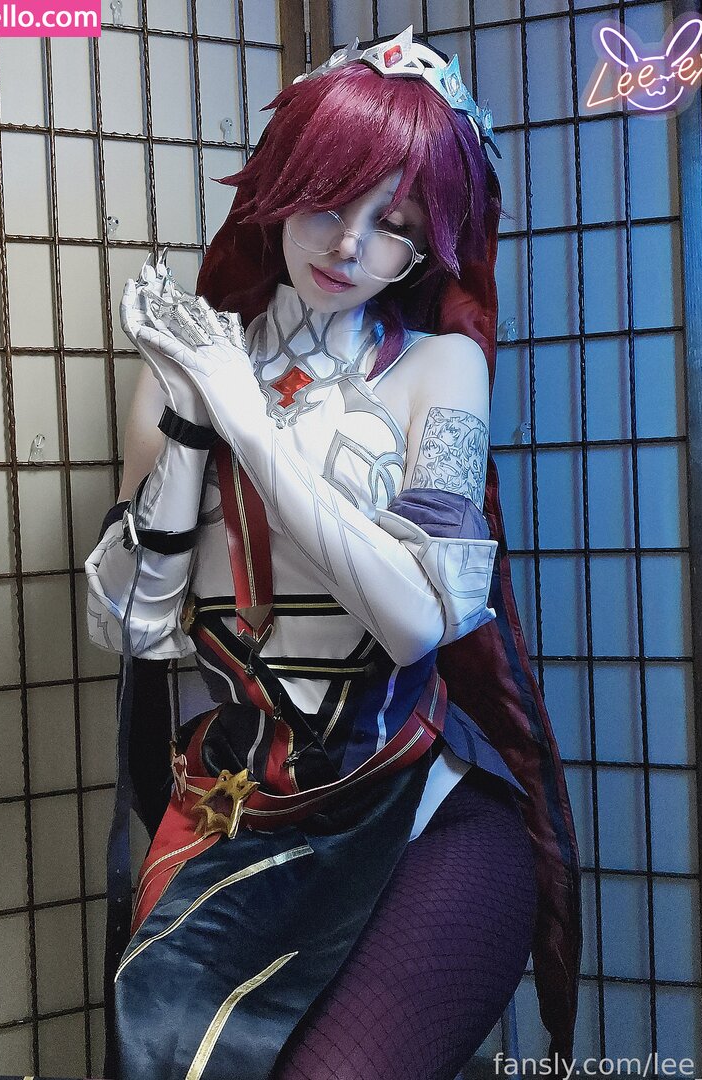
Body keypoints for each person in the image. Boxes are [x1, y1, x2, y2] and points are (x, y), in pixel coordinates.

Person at [85, 27, 581, 1080]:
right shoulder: (184, 366)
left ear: (430, 247)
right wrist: (191, 421)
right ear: (278, 186)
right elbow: (132, 624)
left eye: (394, 225)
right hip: (229, 819)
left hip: (417, 812)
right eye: (327, 198)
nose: (349, 245)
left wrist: (247, 422)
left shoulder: (441, 369)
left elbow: (416, 620)